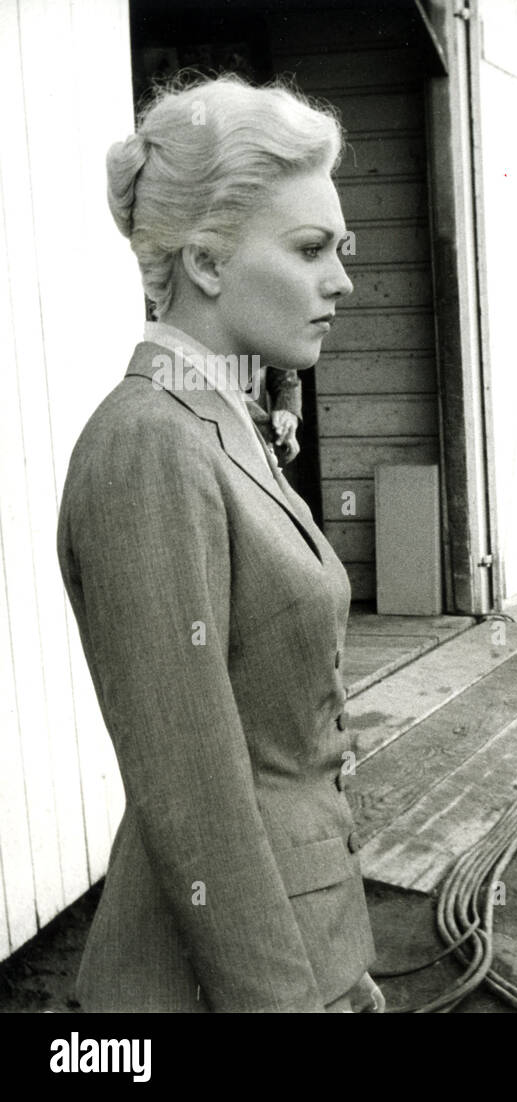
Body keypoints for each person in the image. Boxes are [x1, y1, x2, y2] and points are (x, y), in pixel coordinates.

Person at [56, 75, 381, 1012]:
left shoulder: (219, 420)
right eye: (311, 249)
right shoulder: (148, 443)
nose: (343, 281)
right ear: (205, 260)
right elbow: (196, 791)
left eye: (341, 250)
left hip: (297, 944)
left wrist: (338, 965)